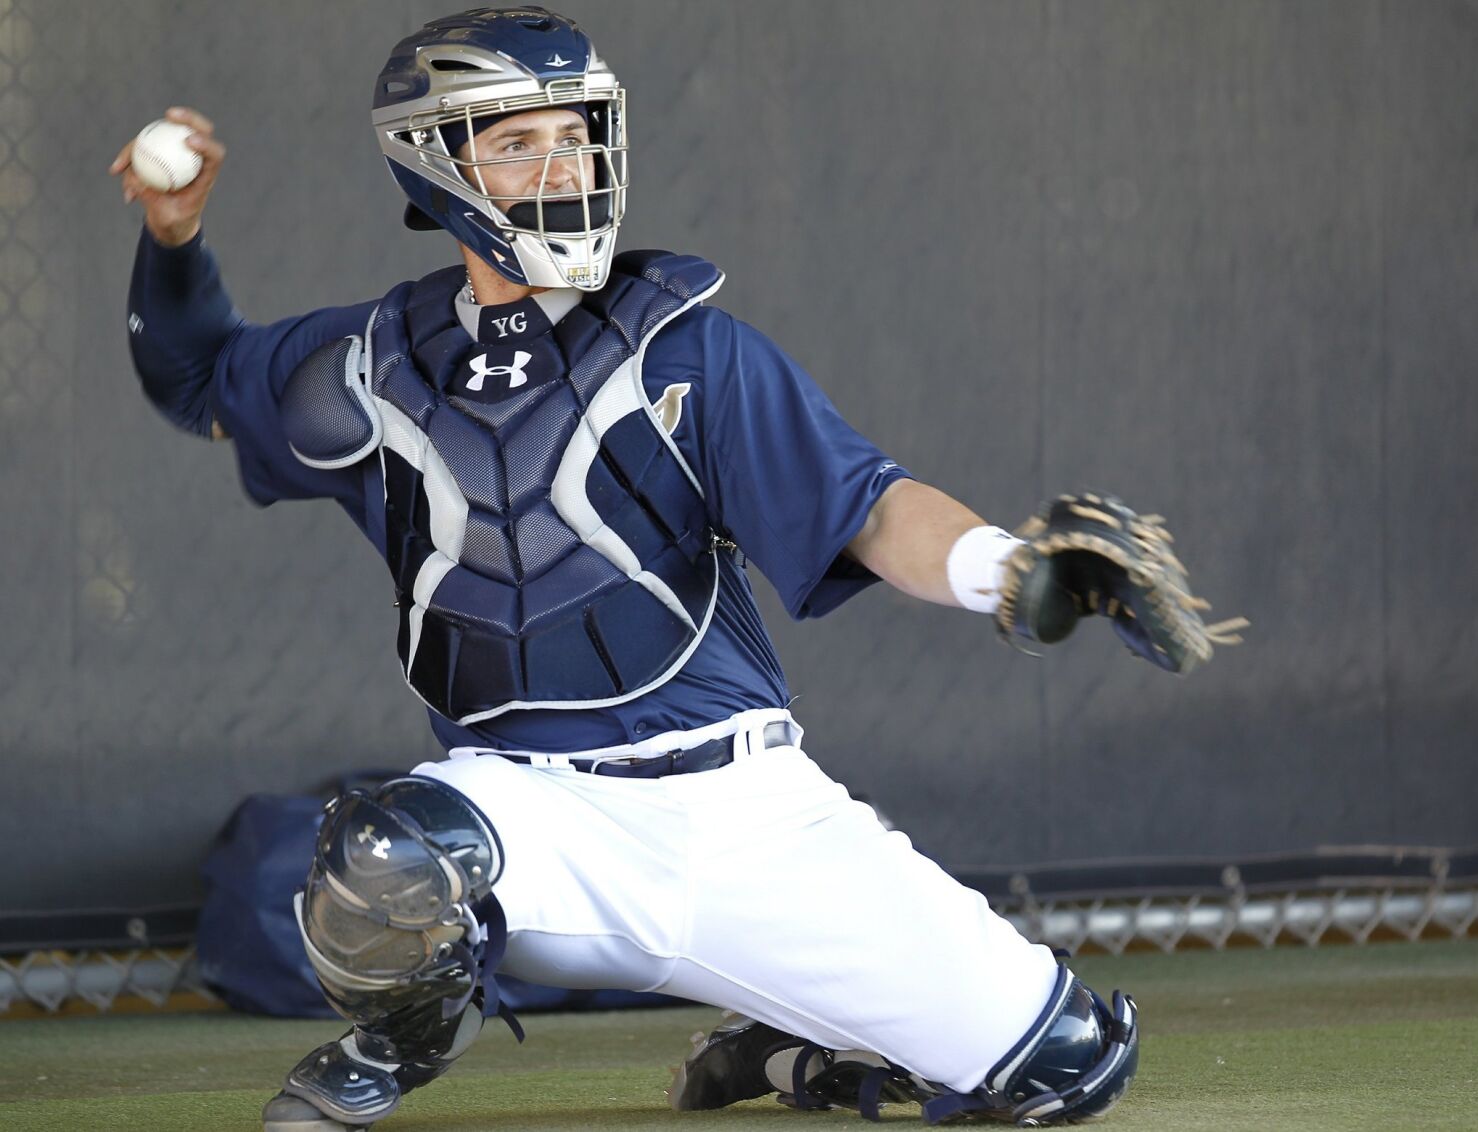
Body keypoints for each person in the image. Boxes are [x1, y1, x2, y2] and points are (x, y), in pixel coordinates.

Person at [114, 9, 1141, 1128]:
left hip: (744, 812)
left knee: (1067, 1068)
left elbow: (867, 506)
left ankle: (803, 1041)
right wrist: (173, 236)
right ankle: (390, 1049)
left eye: (578, 135)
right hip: (533, 818)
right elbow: (198, 378)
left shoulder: (685, 346)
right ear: (435, 164)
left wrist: (1004, 566)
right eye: (517, 143)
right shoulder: (372, 365)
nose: (562, 165)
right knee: (385, 855)